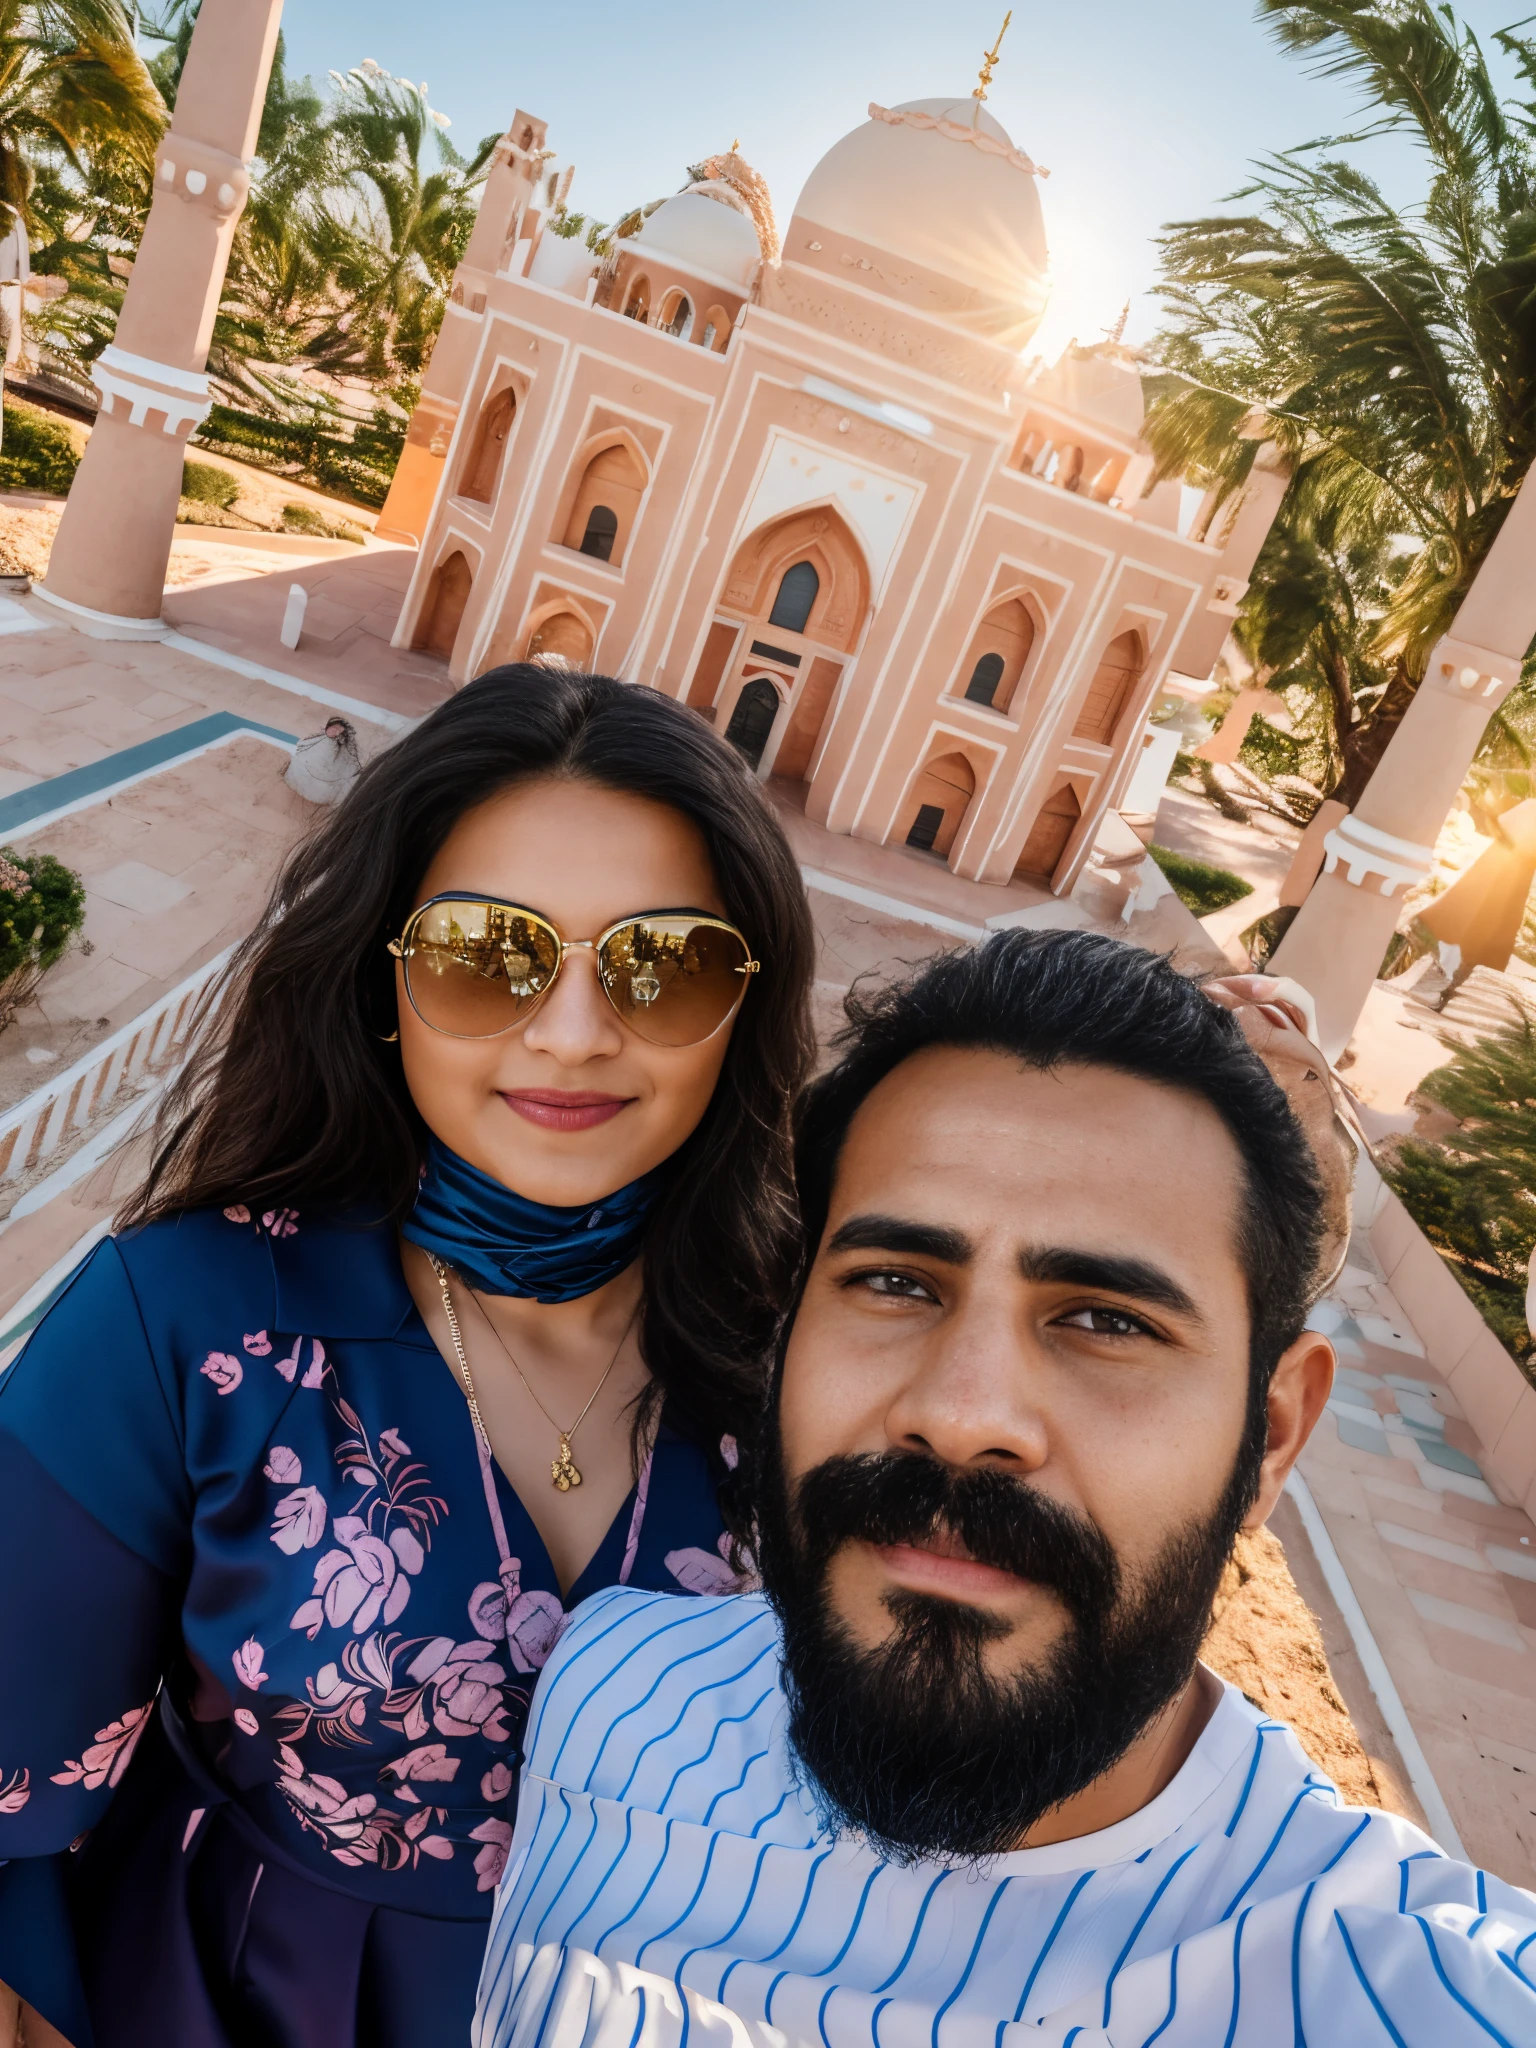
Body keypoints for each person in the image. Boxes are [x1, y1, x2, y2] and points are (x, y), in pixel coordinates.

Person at [475, 931, 1536, 2048]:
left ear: (1268, 1437)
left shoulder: (1400, 1982)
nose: (963, 1412)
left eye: (1108, 1318)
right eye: (893, 1281)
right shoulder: (607, 1686)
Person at [0, 666, 814, 2048]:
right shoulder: (189, 1322)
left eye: (662, 963)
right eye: (486, 953)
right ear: (386, 974)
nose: (572, 1031)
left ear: (743, 1003)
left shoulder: (804, 1368)